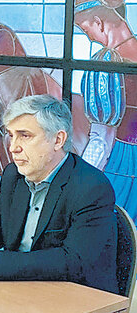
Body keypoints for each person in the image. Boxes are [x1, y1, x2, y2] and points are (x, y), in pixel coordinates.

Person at [0, 94, 118, 294]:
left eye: (25, 135)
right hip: (20, 290)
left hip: (77, 297)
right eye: (11, 135)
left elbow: (72, 262)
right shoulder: (13, 175)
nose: (13, 148)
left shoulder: (92, 187)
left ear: (58, 139)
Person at [74, 0, 137, 221]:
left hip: (123, 164)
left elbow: (101, 140)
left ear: (98, 22)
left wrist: (80, 179)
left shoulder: (106, 64)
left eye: (84, 29)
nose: (89, 37)